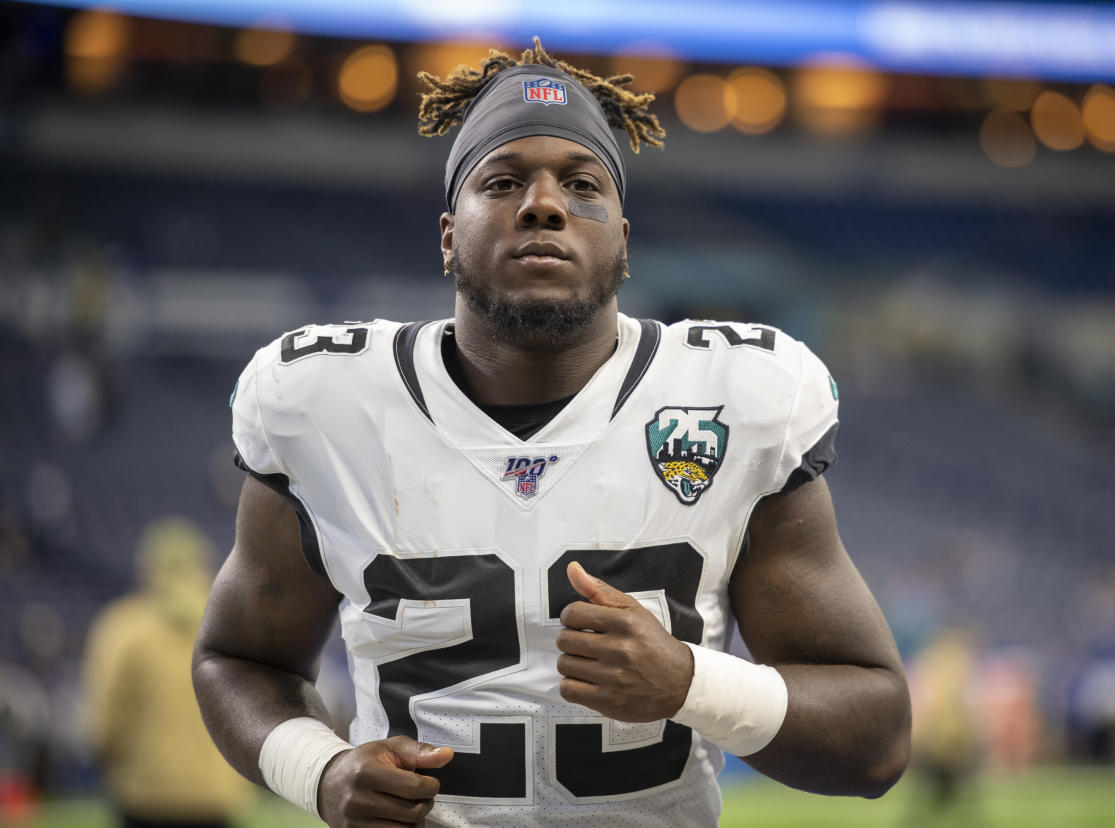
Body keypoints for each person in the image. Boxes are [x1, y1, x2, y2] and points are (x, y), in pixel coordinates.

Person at [192, 39, 910, 828]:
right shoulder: (324, 403)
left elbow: (876, 740)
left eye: (581, 183)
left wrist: (691, 684)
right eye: (502, 182)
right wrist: (320, 771)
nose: (543, 203)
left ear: (624, 241)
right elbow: (236, 660)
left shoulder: (735, 401)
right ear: (446, 234)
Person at [83, 516, 251, 828]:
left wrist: (110, 763)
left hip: (145, 796)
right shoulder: (231, 626)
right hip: (215, 795)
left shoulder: (123, 627)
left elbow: (105, 723)